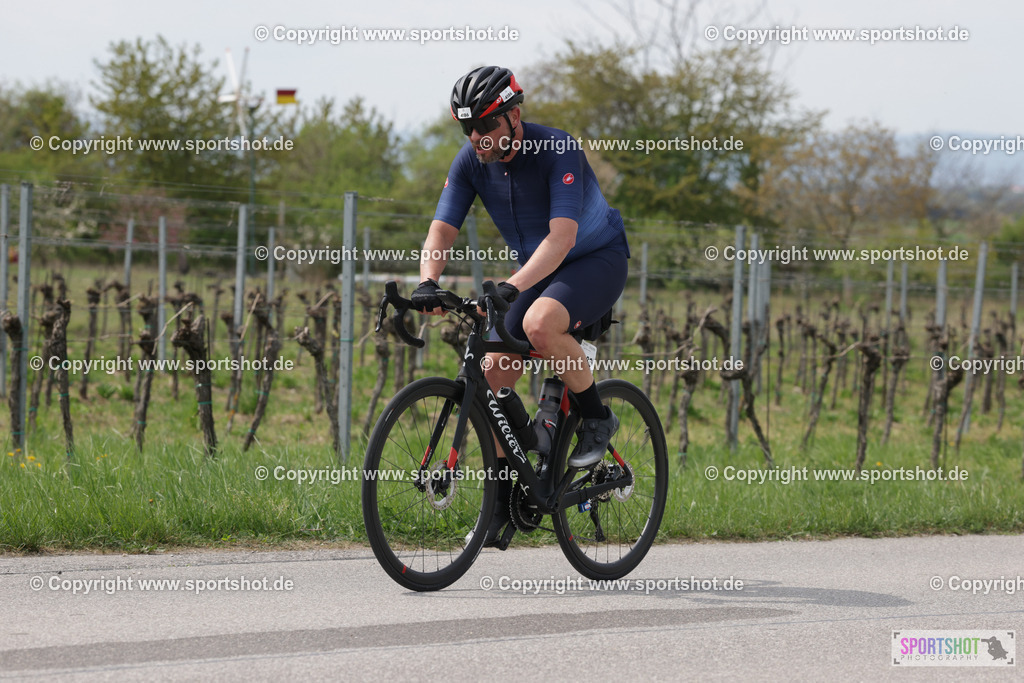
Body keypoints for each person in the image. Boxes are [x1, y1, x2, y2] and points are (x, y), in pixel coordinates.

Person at [411, 65, 630, 548]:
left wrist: (509, 286)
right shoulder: (470, 161)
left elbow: (562, 238)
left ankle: (597, 417)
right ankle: (504, 502)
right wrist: (428, 281)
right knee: (490, 373)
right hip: (538, 268)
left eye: (486, 124)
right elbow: (441, 230)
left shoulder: (557, 148)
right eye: (467, 128)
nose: (477, 137)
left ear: (514, 115)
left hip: (595, 259)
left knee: (539, 323)